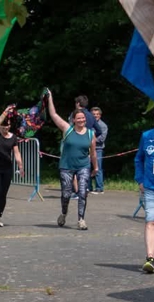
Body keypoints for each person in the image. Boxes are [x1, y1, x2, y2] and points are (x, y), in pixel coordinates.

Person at [46, 92, 97, 231]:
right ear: (73, 120)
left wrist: (96, 167)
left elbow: (93, 153)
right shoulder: (67, 129)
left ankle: (81, 219)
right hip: (66, 166)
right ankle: (64, 213)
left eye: (83, 118)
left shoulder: (91, 134)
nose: (81, 120)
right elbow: (54, 114)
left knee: (82, 192)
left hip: (83, 166)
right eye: (78, 118)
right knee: (66, 194)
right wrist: (50, 98)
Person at [0, 105, 24, 227]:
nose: (5, 128)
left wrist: (20, 166)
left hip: (7, 168)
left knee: (3, 194)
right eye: (3, 126)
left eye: (7, 126)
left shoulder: (13, 138)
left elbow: (16, 153)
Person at [134, 107, 154, 274]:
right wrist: (140, 179)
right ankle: (150, 258)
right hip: (151, 187)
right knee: (151, 221)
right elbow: (139, 159)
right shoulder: (146, 136)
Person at [91, 107, 107, 193]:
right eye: (93, 114)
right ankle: (88, 187)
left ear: (100, 115)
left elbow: (101, 139)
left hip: (98, 149)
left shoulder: (103, 126)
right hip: (88, 148)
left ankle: (99, 188)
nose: (95, 116)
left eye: (97, 114)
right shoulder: (88, 124)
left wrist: (91, 140)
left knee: (98, 168)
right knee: (87, 168)